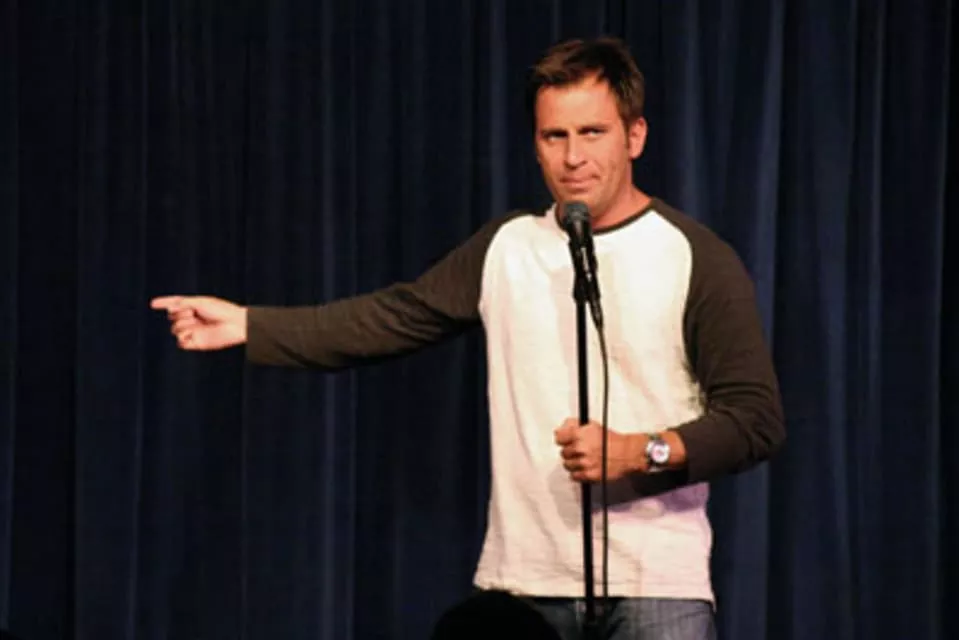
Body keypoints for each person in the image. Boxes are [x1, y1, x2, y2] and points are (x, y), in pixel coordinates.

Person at [152, 37, 784, 640]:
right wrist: (250, 324)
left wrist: (640, 451)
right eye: (555, 136)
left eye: (593, 132)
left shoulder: (694, 256)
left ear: (635, 135)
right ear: (535, 145)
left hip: (656, 591)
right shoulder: (507, 247)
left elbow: (755, 419)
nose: (573, 157)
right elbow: (390, 317)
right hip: (524, 586)